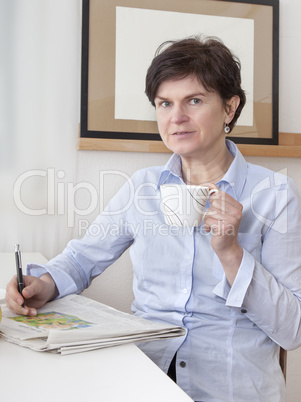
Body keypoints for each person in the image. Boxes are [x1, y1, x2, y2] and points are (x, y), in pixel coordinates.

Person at [6, 36, 301, 401]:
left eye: (194, 100)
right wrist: (42, 284)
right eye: (165, 103)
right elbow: (83, 258)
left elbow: (292, 330)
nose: (176, 117)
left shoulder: (275, 194)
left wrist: (231, 255)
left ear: (229, 108)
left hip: (230, 388)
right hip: (143, 379)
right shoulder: (142, 188)